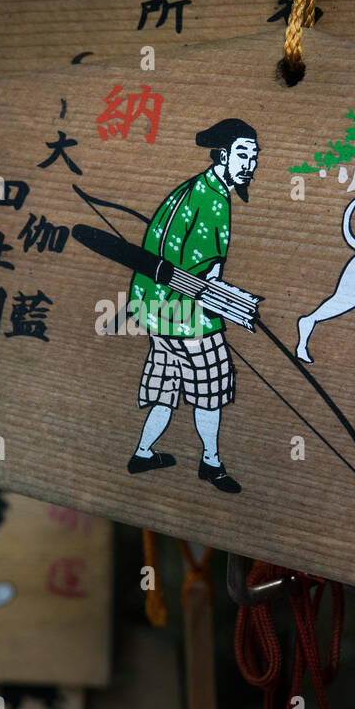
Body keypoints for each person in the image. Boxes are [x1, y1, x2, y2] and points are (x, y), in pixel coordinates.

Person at [127, 118, 259, 494]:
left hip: (155, 311)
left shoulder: (191, 188)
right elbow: (205, 273)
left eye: (254, 156)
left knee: (166, 387)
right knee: (210, 390)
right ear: (222, 155)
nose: (250, 164)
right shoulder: (212, 199)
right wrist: (235, 306)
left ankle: (143, 452)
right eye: (242, 154)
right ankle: (211, 463)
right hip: (188, 317)